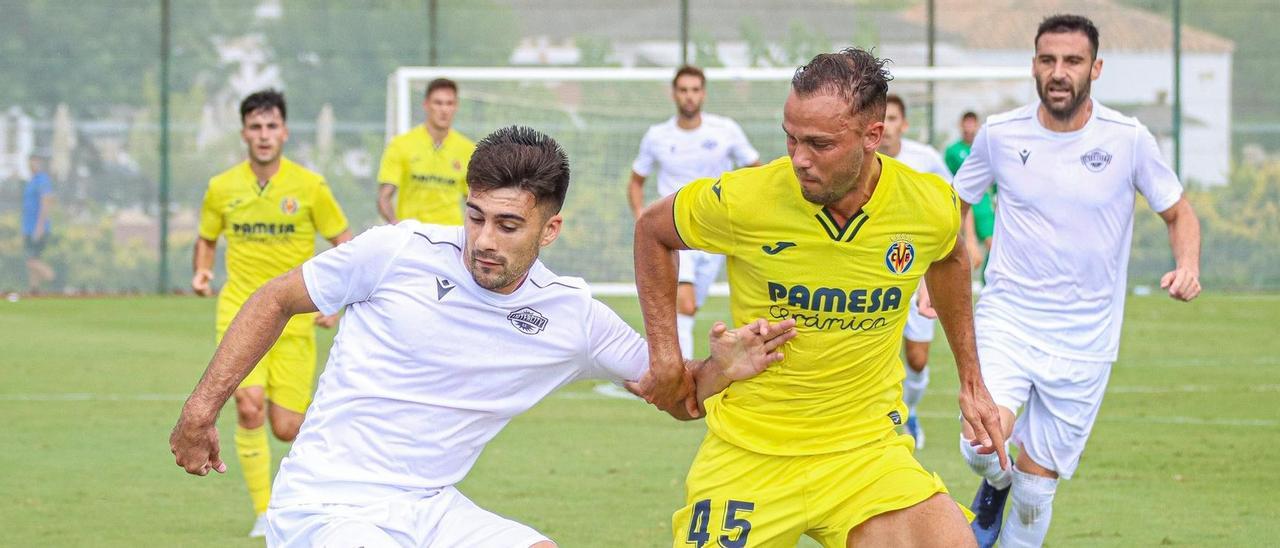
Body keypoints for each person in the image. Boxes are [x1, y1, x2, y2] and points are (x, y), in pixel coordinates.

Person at [170, 125, 797, 548]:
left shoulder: (570, 314)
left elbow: (674, 393)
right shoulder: (397, 252)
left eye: (507, 224)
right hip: (328, 507)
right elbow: (274, 298)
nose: (484, 240)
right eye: (475, 217)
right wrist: (202, 409)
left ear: (549, 231)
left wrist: (721, 368)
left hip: (432, 508)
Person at [634, 48, 1007, 547]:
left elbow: (949, 257)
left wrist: (971, 380)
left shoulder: (927, 203)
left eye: (819, 143)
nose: (798, 158)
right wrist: (665, 359)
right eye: (790, 137)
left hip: (866, 454)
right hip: (752, 453)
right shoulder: (747, 197)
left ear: (873, 136)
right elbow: (652, 230)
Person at [952, 15, 1202, 547]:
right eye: (1048, 60)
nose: (1059, 72)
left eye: (1072, 61)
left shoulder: (1128, 138)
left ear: (1096, 68)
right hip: (1009, 317)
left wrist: (1188, 265)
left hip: (1086, 341)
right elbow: (955, 204)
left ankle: (1010, 494)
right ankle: (995, 481)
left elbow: (1179, 212)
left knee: (1037, 494)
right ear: (1034, 66)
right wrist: (937, 273)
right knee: (981, 444)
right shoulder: (999, 134)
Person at [191, 89, 352, 537]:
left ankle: (323, 495)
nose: (263, 136)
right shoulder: (222, 187)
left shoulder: (310, 187)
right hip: (240, 312)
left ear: (284, 132)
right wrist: (203, 271)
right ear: (244, 133)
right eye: (255, 127)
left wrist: (336, 299)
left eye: (271, 126)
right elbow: (206, 237)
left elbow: (345, 243)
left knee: (286, 428)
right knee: (248, 405)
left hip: (295, 319)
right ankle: (265, 512)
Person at [628, 65, 761, 360]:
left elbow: (757, 170)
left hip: (716, 232)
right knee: (683, 304)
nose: (689, 96)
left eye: (695, 90)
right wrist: (641, 217)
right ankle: (681, 374)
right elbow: (636, 180)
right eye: (683, 90)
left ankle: (673, 368)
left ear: (703, 94)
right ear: (674, 94)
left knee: (691, 306)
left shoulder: (725, 130)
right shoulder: (657, 136)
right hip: (673, 229)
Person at [877, 94, 953, 450]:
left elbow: (954, 203)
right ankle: (884, 422)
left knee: (918, 359)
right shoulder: (859, 162)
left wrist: (965, 240)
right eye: (881, 118)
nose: (886, 125)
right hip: (875, 276)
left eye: (893, 118)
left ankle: (912, 410)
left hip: (920, 273)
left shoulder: (926, 160)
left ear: (903, 125)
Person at [377, 78, 475, 225]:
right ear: (426, 105)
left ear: (456, 107)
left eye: (449, 103)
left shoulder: (468, 149)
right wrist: (396, 225)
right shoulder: (401, 144)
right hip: (413, 236)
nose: (444, 109)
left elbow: (476, 201)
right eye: (438, 103)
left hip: (450, 238)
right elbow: (384, 197)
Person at [945, 111, 994, 279]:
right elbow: (948, 180)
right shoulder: (952, 151)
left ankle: (986, 281)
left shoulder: (983, 148)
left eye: (973, 123)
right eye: (966, 123)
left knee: (992, 246)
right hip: (962, 204)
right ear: (961, 125)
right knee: (953, 246)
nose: (969, 127)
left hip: (983, 206)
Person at [21, 152, 55, 293]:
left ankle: (53, 277)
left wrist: (39, 227)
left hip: (38, 228)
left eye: (35, 161)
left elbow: (46, 202)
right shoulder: (31, 181)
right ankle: (34, 290)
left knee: (31, 261)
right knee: (32, 259)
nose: (32, 164)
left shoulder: (42, 180)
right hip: (28, 228)